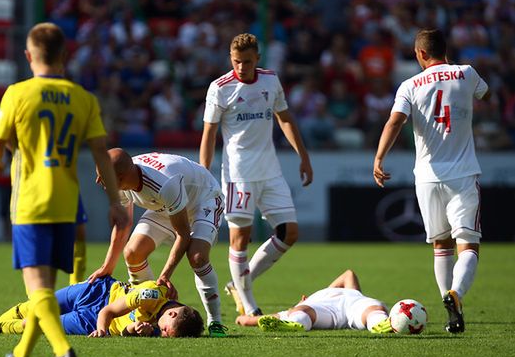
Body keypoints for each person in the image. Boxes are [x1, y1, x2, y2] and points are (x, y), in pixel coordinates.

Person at [0, 22, 128, 357]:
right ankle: (21, 354)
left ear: (28, 55)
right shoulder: (83, 99)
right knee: (45, 288)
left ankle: (63, 350)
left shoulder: (17, 94)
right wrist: (115, 202)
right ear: (65, 56)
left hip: (31, 203)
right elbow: (100, 153)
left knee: (38, 290)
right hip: (66, 204)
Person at [373, 29, 490, 334]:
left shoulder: (409, 85)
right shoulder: (466, 73)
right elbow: (486, 94)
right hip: (462, 173)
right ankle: (456, 295)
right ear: (443, 50)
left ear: (421, 54)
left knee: (441, 245)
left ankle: (449, 307)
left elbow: (394, 121)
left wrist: (379, 158)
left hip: (426, 177)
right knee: (468, 246)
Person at [200, 32, 314, 317]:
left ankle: (240, 283)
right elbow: (209, 133)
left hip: (270, 171)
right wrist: (203, 173)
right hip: (238, 174)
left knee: (289, 232)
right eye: (237, 61)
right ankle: (250, 306)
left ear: (257, 59)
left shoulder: (270, 80)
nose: (241, 68)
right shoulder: (220, 88)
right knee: (241, 238)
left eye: (247, 62)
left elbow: (284, 118)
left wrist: (303, 156)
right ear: (231, 59)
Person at [88, 148, 228, 337]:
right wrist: (107, 266)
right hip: (167, 206)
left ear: (119, 178)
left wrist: (164, 277)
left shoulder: (164, 184)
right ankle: (148, 311)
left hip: (203, 199)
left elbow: (183, 234)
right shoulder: (124, 179)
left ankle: (215, 321)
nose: (98, 181)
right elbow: (123, 225)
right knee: (133, 252)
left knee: (197, 257)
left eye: (102, 176)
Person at [0, 276, 204, 338]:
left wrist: (134, 330)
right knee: (33, 306)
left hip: (87, 320)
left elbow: (128, 328)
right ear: (170, 312)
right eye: (164, 330)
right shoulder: (150, 294)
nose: (162, 333)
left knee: (33, 326)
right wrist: (103, 331)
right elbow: (107, 313)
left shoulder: (165, 328)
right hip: (96, 295)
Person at [235, 270, 392, 334]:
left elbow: (348, 274)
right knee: (301, 311)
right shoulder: (307, 304)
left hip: (354, 303)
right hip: (324, 310)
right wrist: (244, 320)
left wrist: (327, 291)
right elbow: (267, 319)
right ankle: (295, 324)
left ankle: (382, 324)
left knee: (373, 308)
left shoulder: (346, 292)